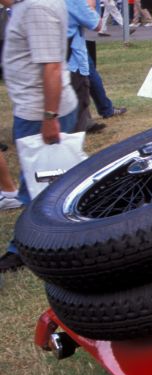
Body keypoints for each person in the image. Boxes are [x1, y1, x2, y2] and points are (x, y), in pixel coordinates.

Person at [0, 0, 78, 273]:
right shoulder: (29, 6)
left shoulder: (36, 8)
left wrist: (49, 116)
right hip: (35, 108)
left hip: (39, 111)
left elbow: (52, 66)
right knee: (43, 180)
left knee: (37, 183)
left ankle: (23, 248)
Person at [65, 0, 103, 133]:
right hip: (70, 59)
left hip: (48, 57)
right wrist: (91, 4)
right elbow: (96, 24)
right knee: (78, 96)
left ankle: (86, 122)